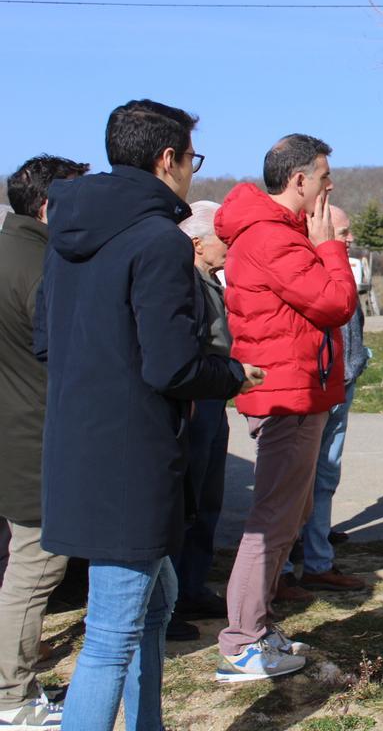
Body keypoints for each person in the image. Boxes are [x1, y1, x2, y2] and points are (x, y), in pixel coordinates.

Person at [38, 100, 261, 730]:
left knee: (156, 607)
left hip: (79, 449)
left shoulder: (66, 238)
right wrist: (234, 372)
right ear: (168, 160)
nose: (193, 170)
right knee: (109, 639)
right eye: (193, 158)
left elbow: (46, 341)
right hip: (130, 464)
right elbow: (173, 367)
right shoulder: (160, 241)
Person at [213, 134, 357, 682]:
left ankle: (257, 627)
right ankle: (242, 640)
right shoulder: (272, 238)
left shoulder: (276, 234)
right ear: (299, 180)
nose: (329, 185)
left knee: (286, 516)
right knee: (272, 519)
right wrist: (329, 248)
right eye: (324, 176)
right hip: (288, 394)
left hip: (299, 389)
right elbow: (336, 302)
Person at [0, 154, 88, 729]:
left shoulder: (14, 251)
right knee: (35, 569)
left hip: (15, 425)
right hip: (34, 434)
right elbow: (69, 356)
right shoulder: (40, 265)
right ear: (50, 207)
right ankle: (11, 696)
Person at [280, 205, 369, 595]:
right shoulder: (301, 269)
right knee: (293, 482)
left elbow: (354, 322)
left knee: (326, 477)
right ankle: (279, 569)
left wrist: (357, 363)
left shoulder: (342, 269)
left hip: (341, 386)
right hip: (310, 391)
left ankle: (318, 563)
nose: (350, 239)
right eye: (344, 232)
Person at [165, 201, 236, 643]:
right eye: (221, 238)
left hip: (215, 400)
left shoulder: (211, 280)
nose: (227, 246)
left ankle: (193, 586)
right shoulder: (184, 284)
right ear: (196, 243)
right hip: (195, 402)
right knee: (184, 506)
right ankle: (168, 603)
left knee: (208, 500)